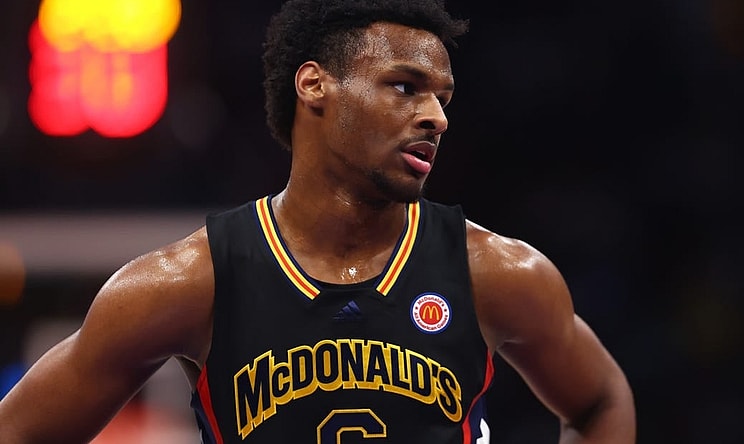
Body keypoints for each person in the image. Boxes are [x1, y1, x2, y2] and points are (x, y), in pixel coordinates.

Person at [0, 0, 636, 442]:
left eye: (441, 97)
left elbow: (600, 399)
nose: (436, 116)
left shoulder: (496, 271)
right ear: (314, 87)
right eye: (404, 86)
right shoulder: (189, 283)